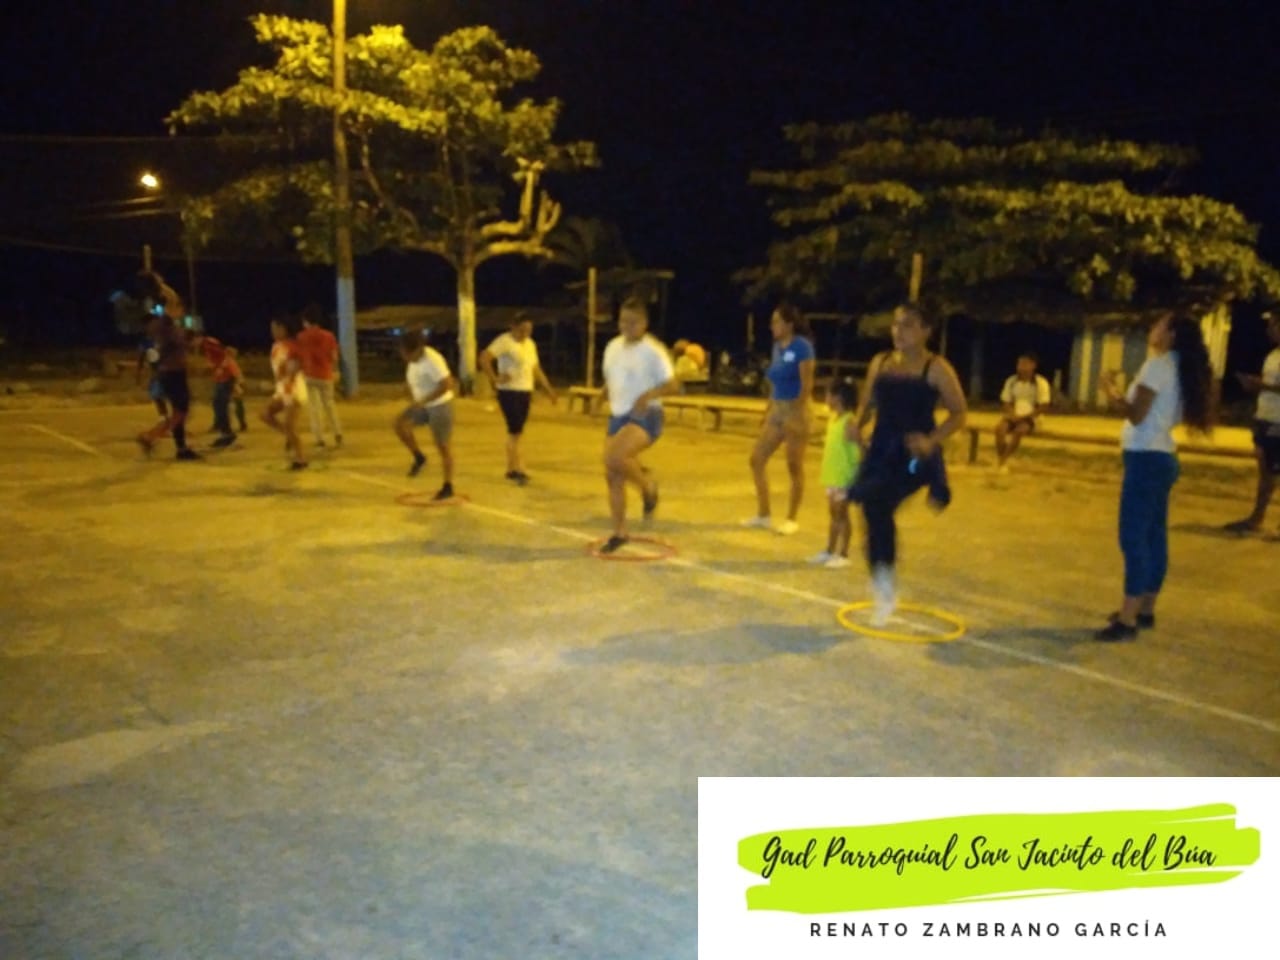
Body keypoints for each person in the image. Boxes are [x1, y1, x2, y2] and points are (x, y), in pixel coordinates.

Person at [1094, 312, 1213, 642]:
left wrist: (1111, 391)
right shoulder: (1181, 367)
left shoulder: (1158, 366)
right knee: (1154, 536)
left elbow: (1136, 415)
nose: (1153, 328)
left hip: (1146, 459)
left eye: (1159, 324)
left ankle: (1127, 619)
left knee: (1133, 537)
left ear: (1171, 334)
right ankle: (1145, 609)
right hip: (1162, 457)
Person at [848, 304, 967, 625]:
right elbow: (868, 403)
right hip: (881, 451)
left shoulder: (936, 368)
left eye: (908, 325)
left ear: (926, 331)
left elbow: (959, 413)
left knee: (878, 504)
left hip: (914, 456)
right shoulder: (881, 362)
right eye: (896, 324)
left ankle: (884, 584)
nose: (898, 331)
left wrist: (932, 440)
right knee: (871, 508)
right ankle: (882, 578)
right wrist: (857, 425)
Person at [590, 296, 678, 553]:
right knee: (612, 473)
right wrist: (600, 398)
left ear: (644, 323)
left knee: (615, 456)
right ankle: (620, 532)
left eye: (633, 322)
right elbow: (612, 379)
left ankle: (647, 487)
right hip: (618, 415)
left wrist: (648, 396)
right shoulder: (612, 347)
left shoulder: (653, 350)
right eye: (623, 321)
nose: (627, 327)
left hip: (646, 414)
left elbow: (673, 385)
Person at [743, 304, 816, 535]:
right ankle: (763, 514)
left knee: (794, 465)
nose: (772, 326)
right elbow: (775, 383)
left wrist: (796, 414)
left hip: (797, 409)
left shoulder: (802, 347)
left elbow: (807, 384)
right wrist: (767, 411)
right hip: (778, 408)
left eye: (776, 321)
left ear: (789, 324)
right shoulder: (777, 347)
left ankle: (791, 518)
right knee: (757, 459)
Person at [479, 312, 558, 485]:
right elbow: (484, 358)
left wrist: (548, 389)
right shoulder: (504, 341)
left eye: (529, 330)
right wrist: (494, 379)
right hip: (509, 391)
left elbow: (536, 368)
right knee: (515, 430)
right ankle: (518, 468)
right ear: (513, 327)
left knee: (518, 431)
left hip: (525, 390)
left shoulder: (530, 344)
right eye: (522, 330)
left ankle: (511, 468)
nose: (525, 334)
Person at [1222, 309, 1280, 535]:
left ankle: (1258, 517)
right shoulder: (1273, 355)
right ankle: (1257, 517)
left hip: (1277, 421)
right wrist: (1255, 384)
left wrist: (1262, 386)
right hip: (1265, 417)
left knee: (1272, 469)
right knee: (1266, 471)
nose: (1269, 330)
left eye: (1273, 325)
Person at [135, 272, 201, 462]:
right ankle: (149, 437)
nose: (180, 309)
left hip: (168, 371)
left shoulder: (158, 324)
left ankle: (181, 448)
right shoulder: (165, 323)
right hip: (173, 372)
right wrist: (159, 284)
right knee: (182, 411)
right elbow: (172, 300)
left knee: (178, 410)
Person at [395, 330, 457, 500]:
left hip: (439, 405)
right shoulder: (414, 360)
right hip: (422, 404)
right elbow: (414, 378)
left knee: (443, 446)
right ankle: (419, 456)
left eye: (405, 353)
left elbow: (448, 384)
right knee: (400, 424)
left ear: (416, 350)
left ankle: (448, 485)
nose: (403, 356)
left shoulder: (433, 360)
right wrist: (409, 392)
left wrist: (424, 400)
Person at [809, 378, 862, 569]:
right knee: (833, 514)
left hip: (844, 477)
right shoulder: (833, 419)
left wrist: (857, 476)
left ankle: (844, 553)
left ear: (838, 397)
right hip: (832, 476)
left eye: (829, 395)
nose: (826, 398)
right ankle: (829, 550)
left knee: (842, 515)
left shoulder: (849, 422)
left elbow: (859, 450)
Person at [261, 314, 309, 471]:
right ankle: (289, 437)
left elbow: (293, 370)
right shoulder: (276, 346)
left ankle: (301, 458)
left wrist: (275, 384)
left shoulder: (292, 346)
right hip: (283, 389)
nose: (272, 331)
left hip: (293, 389)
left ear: (284, 328)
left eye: (275, 328)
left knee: (290, 426)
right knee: (265, 415)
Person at [994, 352, 1052, 472]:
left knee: (1019, 431)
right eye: (1019, 364)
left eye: (1025, 364)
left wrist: (1026, 416)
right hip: (1014, 415)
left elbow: (1044, 405)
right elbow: (1006, 401)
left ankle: (1003, 460)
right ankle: (1002, 458)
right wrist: (1012, 414)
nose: (1021, 367)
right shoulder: (1011, 381)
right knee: (999, 429)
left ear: (1033, 365)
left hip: (1031, 418)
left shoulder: (1040, 382)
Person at [297, 304, 343, 449]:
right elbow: (334, 356)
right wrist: (336, 370)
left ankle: (319, 438)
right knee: (329, 404)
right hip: (326, 374)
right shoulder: (329, 336)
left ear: (306, 320)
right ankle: (337, 432)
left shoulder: (301, 336)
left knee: (314, 408)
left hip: (309, 375)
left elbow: (298, 357)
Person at [192, 332, 243, 448]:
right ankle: (225, 432)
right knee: (218, 404)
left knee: (221, 405)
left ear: (197, 338)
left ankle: (227, 434)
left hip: (226, 377)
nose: (193, 345)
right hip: (222, 378)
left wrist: (221, 368)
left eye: (193, 341)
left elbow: (226, 355)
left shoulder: (209, 344)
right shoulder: (206, 345)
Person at [135, 332, 169, 421]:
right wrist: (138, 372)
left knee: (159, 394)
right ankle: (164, 416)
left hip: (167, 370)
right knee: (156, 394)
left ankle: (166, 417)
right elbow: (141, 358)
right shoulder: (146, 342)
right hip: (158, 372)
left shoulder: (164, 340)